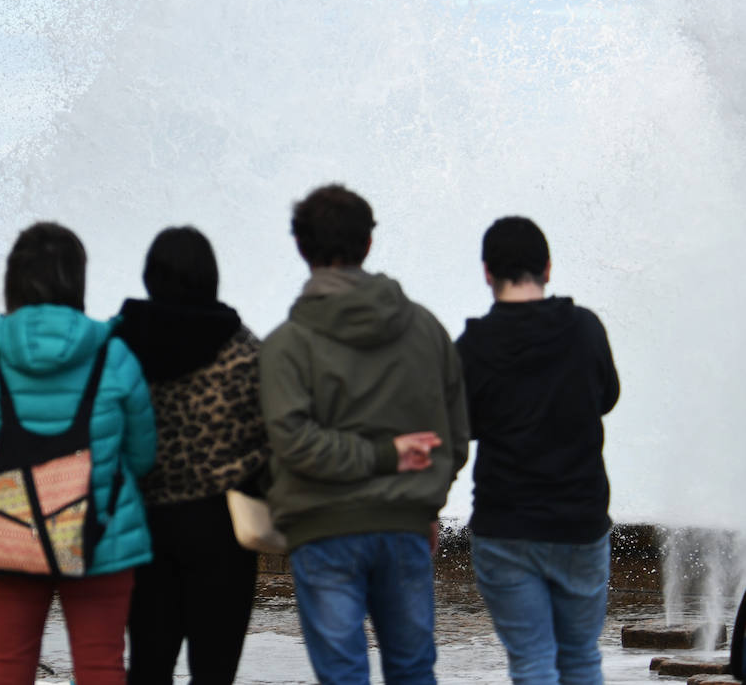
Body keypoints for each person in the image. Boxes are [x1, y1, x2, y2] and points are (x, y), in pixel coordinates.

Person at [258, 184, 468, 685]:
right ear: (368, 244)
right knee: (414, 668)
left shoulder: (285, 346)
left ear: (300, 247)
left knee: (342, 674)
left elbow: (293, 442)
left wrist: (377, 459)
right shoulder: (426, 330)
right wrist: (424, 501)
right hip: (405, 527)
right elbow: (456, 436)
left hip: (322, 528)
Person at [0, 222, 157, 685]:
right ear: (78, 281)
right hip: (99, 533)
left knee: (8, 663)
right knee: (101, 663)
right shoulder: (115, 355)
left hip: (8, 529)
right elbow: (142, 456)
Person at [457, 217, 619, 684]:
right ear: (547, 267)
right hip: (579, 524)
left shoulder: (472, 347)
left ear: (487, 272)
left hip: (505, 526)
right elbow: (606, 397)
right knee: (582, 657)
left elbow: (460, 427)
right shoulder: (586, 329)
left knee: (532, 662)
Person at [113, 226, 268, 684]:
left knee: (148, 666)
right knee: (215, 671)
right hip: (222, 529)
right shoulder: (242, 348)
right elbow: (267, 440)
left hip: (142, 527)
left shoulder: (122, 346)